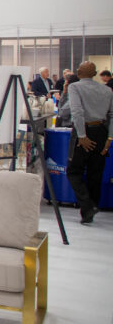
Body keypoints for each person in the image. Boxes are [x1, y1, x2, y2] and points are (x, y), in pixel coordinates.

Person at [65, 61, 113, 224]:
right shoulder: (107, 90)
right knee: (95, 172)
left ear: (81, 72)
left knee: (73, 171)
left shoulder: (75, 87)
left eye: (80, 67)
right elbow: (111, 116)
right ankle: (91, 208)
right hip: (101, 132)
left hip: (83, 130)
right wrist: (109, 138)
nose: (78, 69)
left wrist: (82, 135)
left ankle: (87, 205)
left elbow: (77, 112)